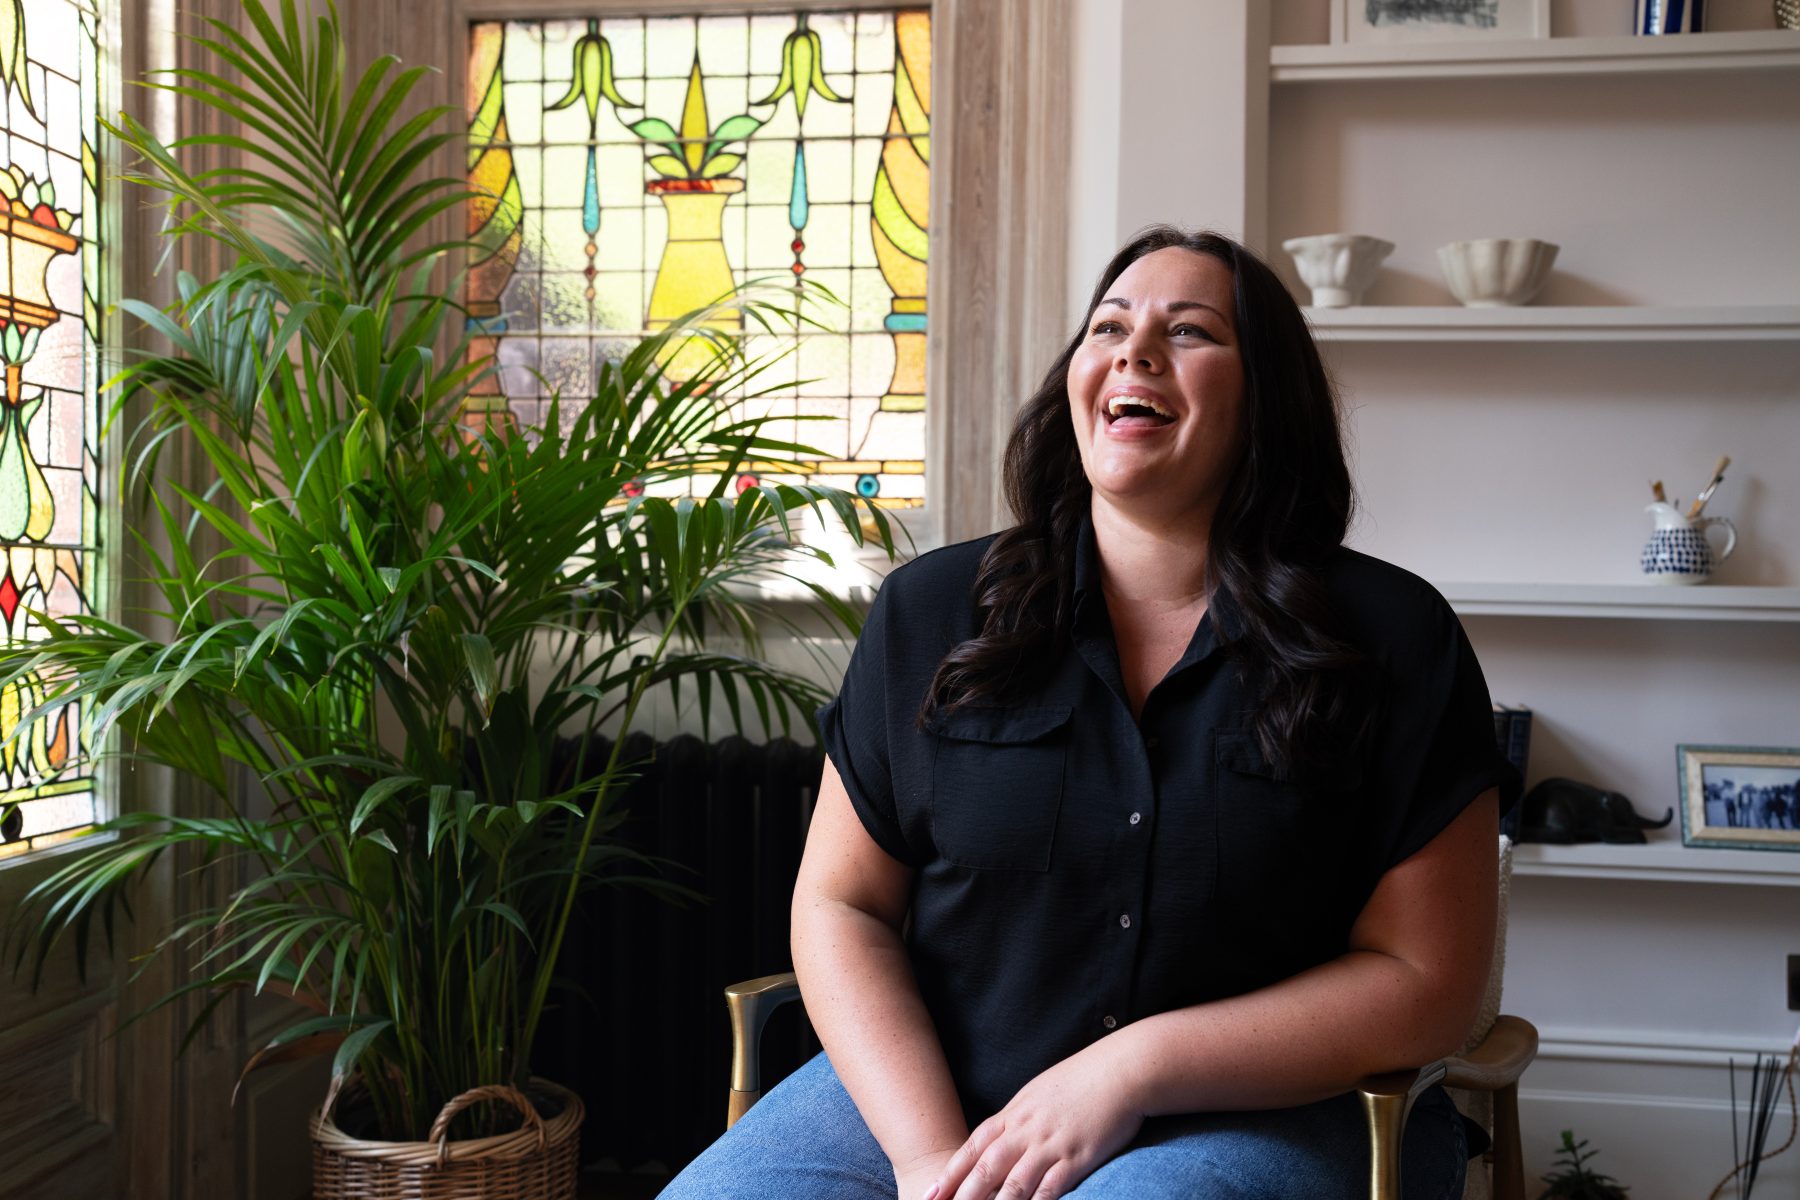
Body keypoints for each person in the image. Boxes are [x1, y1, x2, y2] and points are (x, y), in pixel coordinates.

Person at [659, 227, 1520, 1199]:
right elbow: (840, 903)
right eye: (1109, 326)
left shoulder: (1395, 637)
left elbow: (1425, 980)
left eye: (1189, 332)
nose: (1135, 350)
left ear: (1268, 397)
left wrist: (1130, 1067)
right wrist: (929, 1161)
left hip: (1264, 1112)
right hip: (929, 1093)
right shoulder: (929, 611)